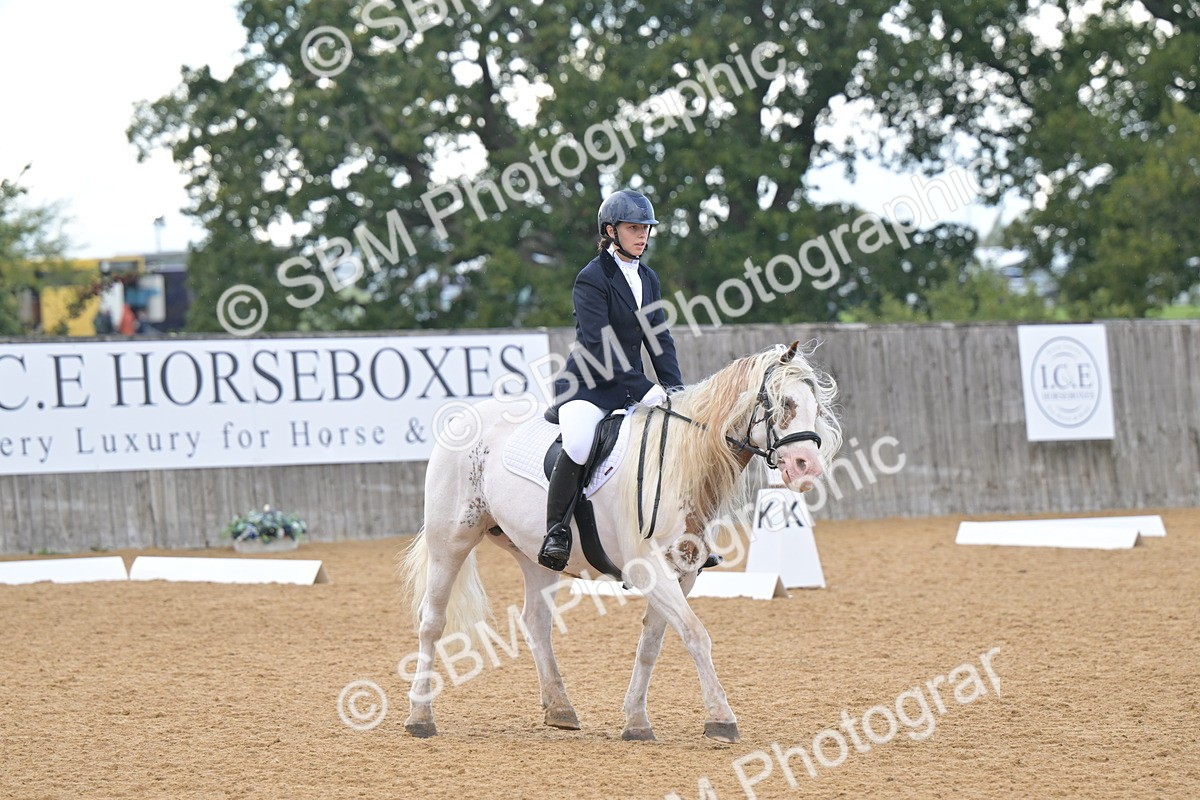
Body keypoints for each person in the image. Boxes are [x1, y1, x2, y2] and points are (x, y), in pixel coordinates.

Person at [537, 189, 684, 571]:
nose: (643, 235)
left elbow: (659, 338)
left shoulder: (648, 277)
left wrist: (675, 389)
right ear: (611, 230)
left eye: (646, 228)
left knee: (665, 441)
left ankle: (680, 532)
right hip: (586, 387)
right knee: (582, 443)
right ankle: (556, 532)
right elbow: (600, 347)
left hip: (627, 387)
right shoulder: (591, 278)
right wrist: (645, 388)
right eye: (634, 228)